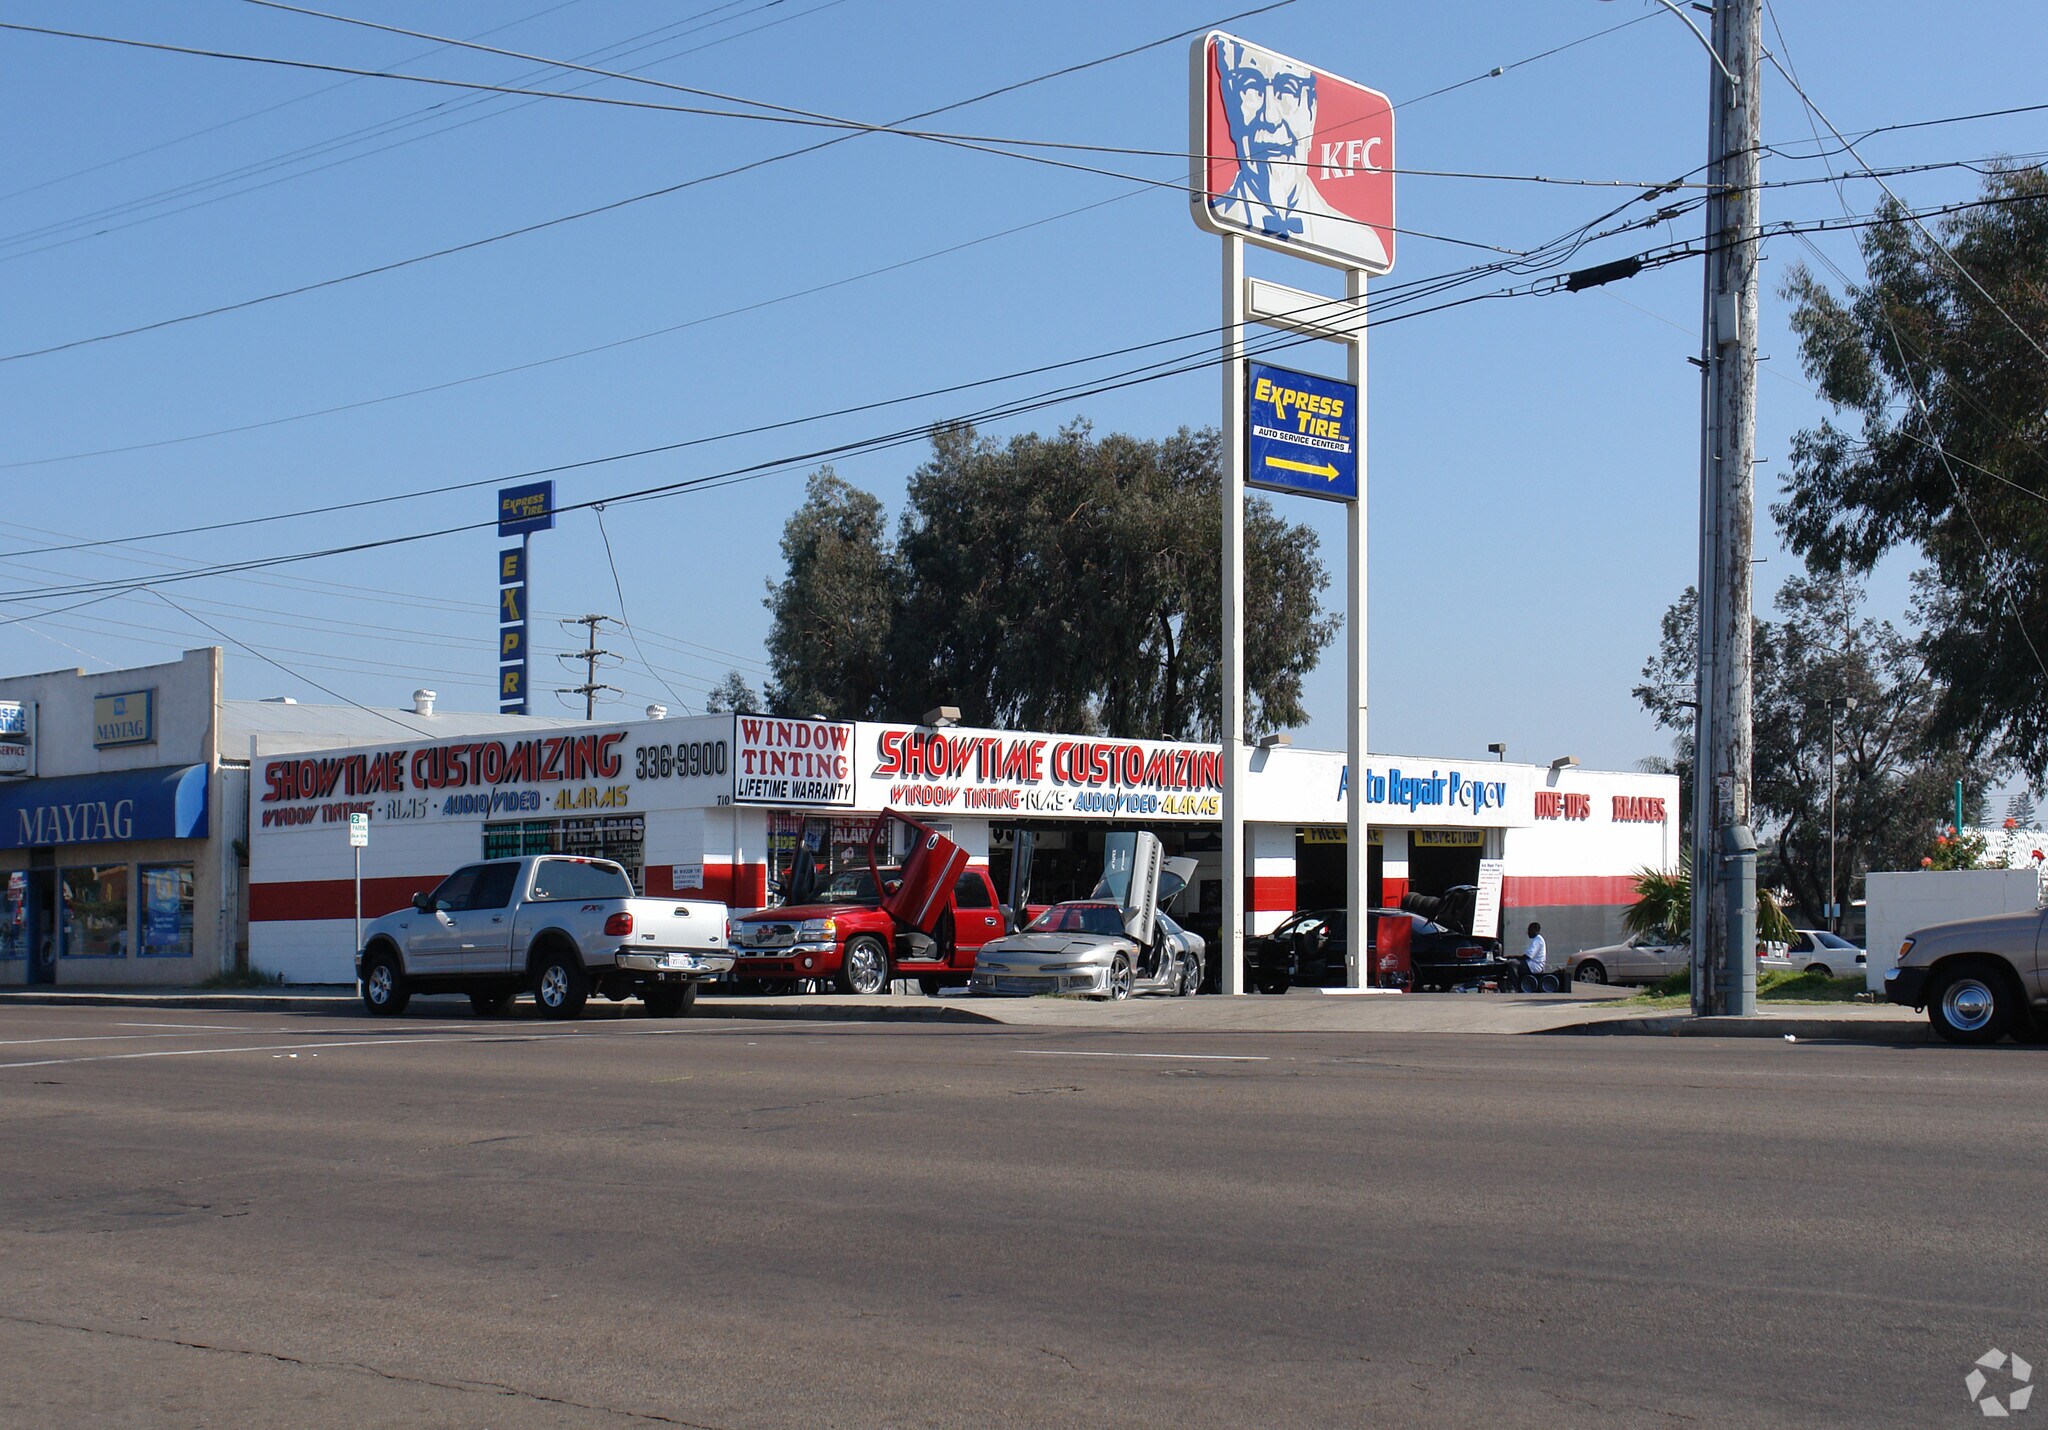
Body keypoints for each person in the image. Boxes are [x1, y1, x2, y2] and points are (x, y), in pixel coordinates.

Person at [1208, 38, 1390, 268]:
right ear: (1230, 107)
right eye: (1251, 88)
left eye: (1287, 90)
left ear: (1311, 114)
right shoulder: (1219, 210)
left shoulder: (1363, 243)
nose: (1270, 117)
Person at [1508, 922, 1548, 992]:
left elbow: (1528, 956)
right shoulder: (1536, 940)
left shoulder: (1538, 940)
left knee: (1513, 964)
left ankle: (1515, 987)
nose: (1528, 932)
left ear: (1535, 930)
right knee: (1515, 962)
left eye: (1530, 930)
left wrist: (1513, 957)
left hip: (1535, 965)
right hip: (1531, 963)